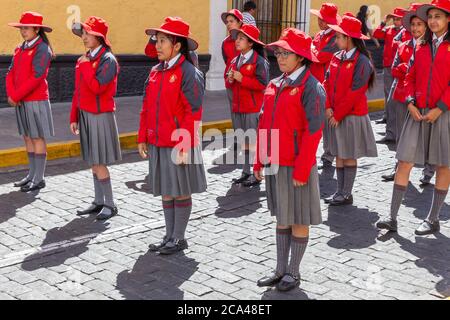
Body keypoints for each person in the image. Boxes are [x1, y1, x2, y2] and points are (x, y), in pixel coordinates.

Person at [254, 28, 325, 292]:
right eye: (279, 53)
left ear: (301, 58)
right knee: (282, 217)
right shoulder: (275, 84)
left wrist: (302, 168)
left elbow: (313, 132)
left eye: (287, 53)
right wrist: (259, 160)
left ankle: (293, 272)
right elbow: (264, 125)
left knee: (298, 218)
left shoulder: (311, 87)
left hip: (297, 165)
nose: (280, 57)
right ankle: (280, 269)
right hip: (274, 161)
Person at [377, 0, 450, 236]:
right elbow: (409, 76)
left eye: (438, 16)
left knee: (443, 165)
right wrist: (409, 101)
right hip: (417, 111)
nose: (433, 21)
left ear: (448, 19)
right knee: (404, 160)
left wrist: (440, 107)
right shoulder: (421, 45)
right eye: (431, 17)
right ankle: (392, 217)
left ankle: (433, 218)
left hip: (444, 113)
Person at [138, 17, 207, 254]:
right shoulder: (156, 71)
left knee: (180, 188)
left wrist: (185, 144)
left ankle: (179, 237)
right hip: (158, 140)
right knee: (166, 188)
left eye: (163, 40)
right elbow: (146, 106)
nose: (157, 45)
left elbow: (193, 111)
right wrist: (142, 136)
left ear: (177, 45)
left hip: (179, 142)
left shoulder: (189, 72)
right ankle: (169, 235)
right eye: (157, 40)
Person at [323, 15, 378, 206]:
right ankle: (340, 191)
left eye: (338, 36)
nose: (335, 40)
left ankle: (346, 193)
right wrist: (328, 106)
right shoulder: (336, 57)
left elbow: (355, 92)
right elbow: (327, 83)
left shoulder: (362, 61)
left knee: (349, 155)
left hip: (351, 115)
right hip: (335, 114)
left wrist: (337, 114)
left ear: (349, 38)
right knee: (340, 153)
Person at [70, 16, 121, 221]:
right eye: (83, 33)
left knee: (99, 161)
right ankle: (99, 201)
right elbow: (78, 91)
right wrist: (74, 115)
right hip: (85, 114)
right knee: (93, 160)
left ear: (99, 37)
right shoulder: (85, 59)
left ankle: (110, 203)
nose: (84, 37)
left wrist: (84, 66)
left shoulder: (108, 60)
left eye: (88, 33)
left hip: (100, 115)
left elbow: (97, 88)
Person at [381, 3, 432, 183]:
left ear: (426, 26)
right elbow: (394, 69)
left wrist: (410, 70)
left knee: (427, 136)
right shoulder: (403, 45)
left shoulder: (433, 47)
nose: (415, 28)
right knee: (402, 136)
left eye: (419, 24)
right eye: (413, 24)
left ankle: (428, 170)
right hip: (403, 96)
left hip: (426, 99)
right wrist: (411, 69)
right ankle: (398, 169)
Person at [6, 12, 54, 193]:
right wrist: (12, 93)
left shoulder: (42, 49)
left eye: (26, 28)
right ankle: (32, 174)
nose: (22, 31)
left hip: (35, 100)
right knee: (27, 136)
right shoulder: (20, 48)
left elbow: (37, 77)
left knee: (37, 137)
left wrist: (16, 96)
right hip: (20, 100)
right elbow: (10, 72)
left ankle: (39, 178)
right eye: (21, 28)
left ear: (36, 29)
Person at [227, 24, 269, 186]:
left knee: (253, 142)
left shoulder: (259, 61)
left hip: (252, 108)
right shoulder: (235, 60)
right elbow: (228, 81)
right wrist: (230, 79)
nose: (237, 41)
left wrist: (242, 79)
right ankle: (245, 171)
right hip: (237, 107)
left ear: (251, 43)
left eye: (241, 38)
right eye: (237, 38)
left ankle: (257, 173)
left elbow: (262, 85)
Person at [309, 2, 341, 170]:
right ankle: (324, 151)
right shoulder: (320, 35)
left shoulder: (335, 37)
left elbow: (321, 57)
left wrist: (312, 49)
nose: (320, 21)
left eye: (322, 19)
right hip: (315, 81)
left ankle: (330, 153)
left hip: (328, 82)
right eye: (320, 18)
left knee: (329, 120)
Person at [373, 7, 408, 137]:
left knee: (395, 98)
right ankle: (387, 118)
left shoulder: (407, 32)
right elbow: (376, 34)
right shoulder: (389, 30)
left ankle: (394, 129)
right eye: (394, 18)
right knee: (388, 96)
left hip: (400, 67)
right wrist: (384, 22)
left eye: (398, 19)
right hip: (388, 66)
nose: (396, 21)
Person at [221, 9, 244, 131]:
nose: (228, 24)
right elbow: (227, 60)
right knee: (234, 111)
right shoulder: (225, 42)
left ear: (240, 22)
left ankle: (250, 140)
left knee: (246, 112)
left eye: (231, 21)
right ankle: (238, 138)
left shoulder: (247, 39)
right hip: (230, 81)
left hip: (245, 81)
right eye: (227, 22)